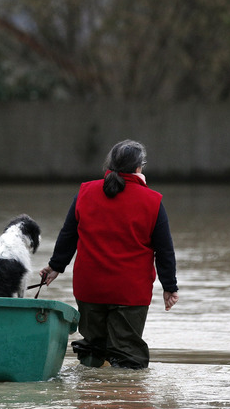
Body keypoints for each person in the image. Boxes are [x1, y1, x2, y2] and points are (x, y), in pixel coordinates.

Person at [39, 139, 178, 369]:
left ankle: (91, 398)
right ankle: (122, 400)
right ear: (138, 168)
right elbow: (164, 251)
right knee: (128, 356)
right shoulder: (152, 201)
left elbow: (68, 235)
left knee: (92, 350)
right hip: (129, 292)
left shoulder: (85, 192)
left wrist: (55, 267)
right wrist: (169, 287)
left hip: (89, 287)